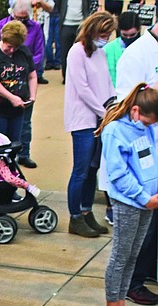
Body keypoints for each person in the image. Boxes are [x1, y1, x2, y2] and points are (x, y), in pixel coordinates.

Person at [99, 83, 158, 306]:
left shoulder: (147, 128)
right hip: (129, 203)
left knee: (134, 254)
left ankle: (121, 304)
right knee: (120, 256)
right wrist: (144, 197)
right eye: (148, 120)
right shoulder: (115, 131)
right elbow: (118, 173)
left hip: (148, 201)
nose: (149, 125)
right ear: (135, 111)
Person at [64, 11, 115, 238]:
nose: (105, 38)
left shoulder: (100, 53)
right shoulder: (76, 52)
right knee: (81, 170)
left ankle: (86, 211)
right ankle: (75, 217)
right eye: (103, 33)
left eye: (108, 34)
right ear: (92, 31)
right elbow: (82, 88)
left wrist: (114, 106)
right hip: (83, 120)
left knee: (93, 170)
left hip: (100, 118)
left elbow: (106, 82)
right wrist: (102, 111)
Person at [0, 0, 46, 168]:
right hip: (4, 86)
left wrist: (26, 67)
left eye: (24, 19)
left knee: (25, 123)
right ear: (11, 13)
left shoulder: (35, 28)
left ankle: (24, 154)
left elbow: (39, 53)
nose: (21, 21)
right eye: (18, 18)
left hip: (24, 79)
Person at [0, 21, 36, 148]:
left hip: (18, 110)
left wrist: (32, 96)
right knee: (0, 143)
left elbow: (32, 75)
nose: (12, 51)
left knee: (16, 142)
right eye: (9, 46)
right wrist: (11, 97)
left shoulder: (24, 52)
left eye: (15, 48)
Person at [58, 0, 92, 82]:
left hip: (81, 25)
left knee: (83, 52)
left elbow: (88, 5)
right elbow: (58, 5)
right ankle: (66, 76)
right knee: (65, 52)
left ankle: (82, 76)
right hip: (66, 25)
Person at [104, 11, 140, 88]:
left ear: (139, 30)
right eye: (125, 35)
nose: (128, 38)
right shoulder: (108, 49)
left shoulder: (146, 48)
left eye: (132, 35)